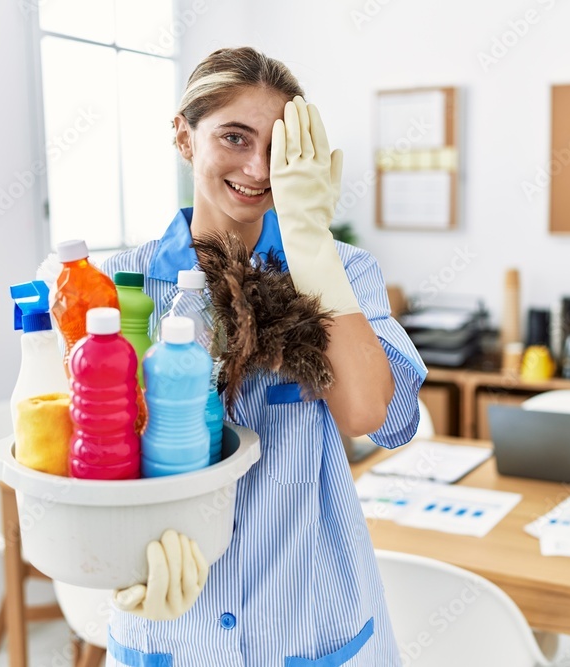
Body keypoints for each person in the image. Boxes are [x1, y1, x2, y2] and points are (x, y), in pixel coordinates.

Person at [101, 46, 427, 667]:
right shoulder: (124, 285)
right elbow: (84, 460)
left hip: (312, 630)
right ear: (184, 136)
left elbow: (373, 416)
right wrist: (113, 559)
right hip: (173, 634)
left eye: (277, 148)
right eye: (233, 136)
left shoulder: (345, 273)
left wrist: (309, 244)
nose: (257, 168)